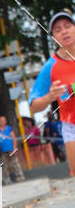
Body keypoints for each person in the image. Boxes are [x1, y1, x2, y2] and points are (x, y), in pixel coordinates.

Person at [29, 10, 75, 176]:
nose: (64, 31)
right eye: (57, 30)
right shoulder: (50, 66)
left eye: (67, 26)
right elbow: (33, 107)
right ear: (54, 37)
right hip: (72, 126)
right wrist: (50, 96)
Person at [0, 116, 24, 185]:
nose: (2, 122)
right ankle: (7, 179)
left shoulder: (9, 128)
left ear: (5, 121)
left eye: (3, 120)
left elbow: (14, 138)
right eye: (1, 120)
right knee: (4, 165)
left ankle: (20, 177)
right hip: (2, 150)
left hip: (11, 149)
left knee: (15, 163)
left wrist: (14, 148)